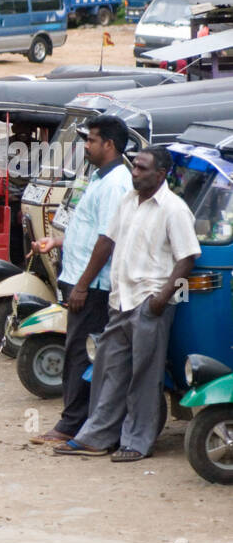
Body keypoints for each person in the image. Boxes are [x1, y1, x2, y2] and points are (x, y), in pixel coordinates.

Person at [54, 146, 200, 461]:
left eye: (142, 169)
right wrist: (84, 284)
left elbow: (187, 258)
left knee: (145, 377)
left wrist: (160, 299)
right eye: (134, 167)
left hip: (149, 302)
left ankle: (137, 442)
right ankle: (98, 436)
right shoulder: (128, 201)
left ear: (160, 175)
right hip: (120, 300)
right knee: (109, 371)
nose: (135, 173)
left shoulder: (173, 209)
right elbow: (107, 240)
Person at [29, 115, 133, 445]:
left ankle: (71, 425)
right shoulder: (100, 178)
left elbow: (107, 239)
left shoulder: (117, 183)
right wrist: (58, 242)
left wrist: (84, 284)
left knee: (81, 354)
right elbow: (89, 231)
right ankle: (75, 420)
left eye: (91, 140)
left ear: (109, 145)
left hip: (92, 286)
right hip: (77, 279)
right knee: (78, 350)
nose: (86, 146)